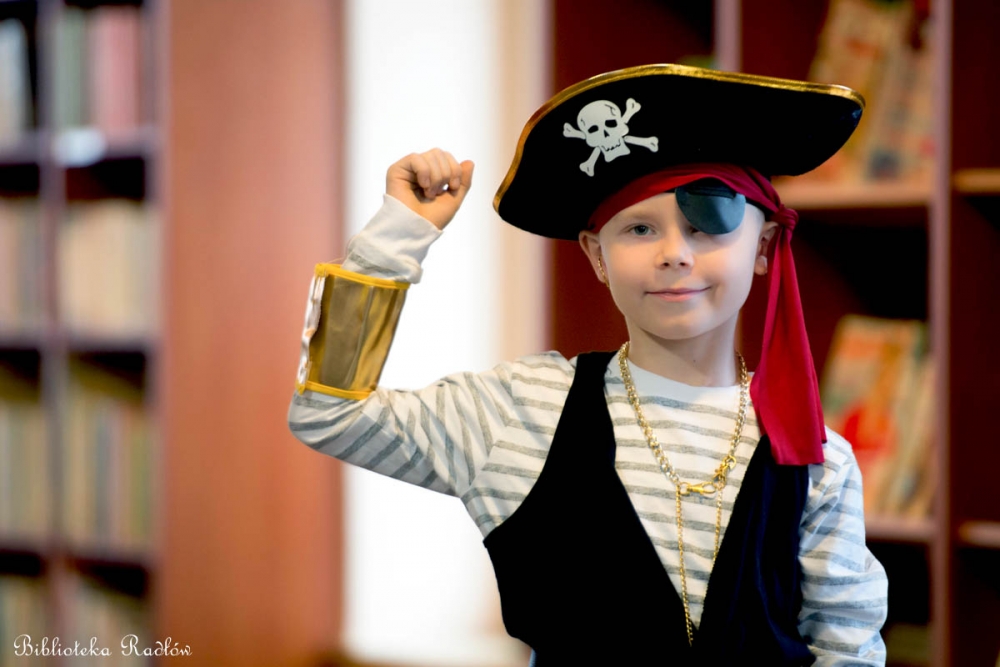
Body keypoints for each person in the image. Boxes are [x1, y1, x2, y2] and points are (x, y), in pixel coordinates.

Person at [288, 64, 888, 665]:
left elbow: (847, 647)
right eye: (640, 228)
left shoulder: (817, 456)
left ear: (763, 245)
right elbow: (328, 415)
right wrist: (395, 239)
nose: (674, 254)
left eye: (707, 225)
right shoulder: (521, 412)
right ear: (597, 257)